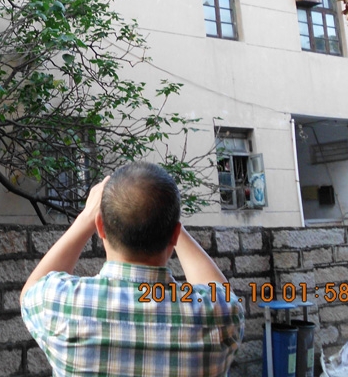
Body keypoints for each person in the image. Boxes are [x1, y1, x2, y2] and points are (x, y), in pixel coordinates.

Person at [20, 161, 245, 376]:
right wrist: (167, 220)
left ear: (100, 226)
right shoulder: (220, 315)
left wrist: (86, 217)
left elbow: (30, 291)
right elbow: (219, 290)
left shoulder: (59, 304)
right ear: (174, 235)